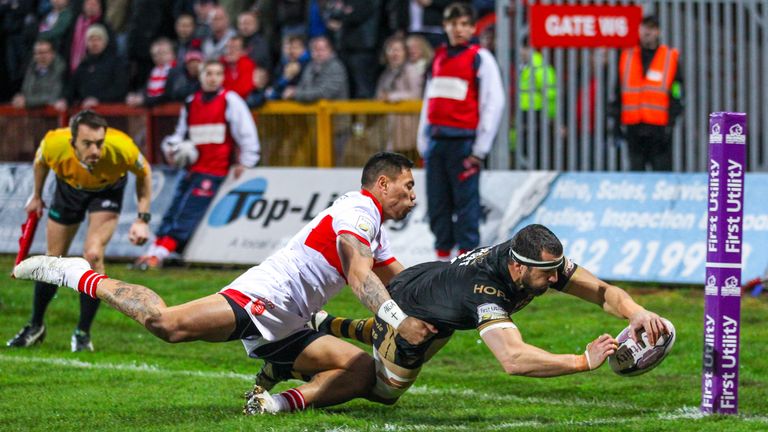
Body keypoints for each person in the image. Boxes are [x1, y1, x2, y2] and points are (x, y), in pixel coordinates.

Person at [14, 152, 437, 413]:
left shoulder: (374, 227)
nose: (413, 196)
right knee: (166, 325)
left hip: (292, 321)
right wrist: (399, 321)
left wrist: (451, 299)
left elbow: (403, 282)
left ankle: (272, 404)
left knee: (361, 369)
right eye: (408, 185)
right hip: (265, 298)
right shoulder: (360, 212)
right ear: (382, 184)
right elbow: (361, 277)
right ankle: (77, 273)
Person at [304, 224, 671, 405]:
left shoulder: (536, 260)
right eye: (548, 275)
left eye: (558, 270)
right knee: (382, 392)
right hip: (412, 308)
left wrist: (636, 312)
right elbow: (512, 359)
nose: (557, 279)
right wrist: (580, 361)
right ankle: (290, 363)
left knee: (408, 337)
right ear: (516, 268)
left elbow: (603, 292)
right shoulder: (486, 292)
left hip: (433, 289)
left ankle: (324, 323)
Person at [7, 110, 152, 352]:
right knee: (52, 259)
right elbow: (40, 163)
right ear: (73, 142)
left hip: (108, 189)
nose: (95, 151)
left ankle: (82, 333)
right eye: (87, 144)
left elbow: (144, 173)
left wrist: (142, 218)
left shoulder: (122, 147)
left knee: (93, 256)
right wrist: (37, 196)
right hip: (70, 188)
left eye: (99, 143)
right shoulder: (54, 143)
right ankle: (35, 325)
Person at [134, 60, 259, 270]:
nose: (213, 78)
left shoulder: (230, 100)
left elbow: (247, 134)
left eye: (218, 74)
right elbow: (180, 135)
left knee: (187, 213)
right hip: (191, 170)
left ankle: (160, 255)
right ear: (201, 76)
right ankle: (152, 251)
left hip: (215, 171)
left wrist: (246, 162)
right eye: (209, 73)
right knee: (173, 211)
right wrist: (172, 149)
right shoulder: (192, 102)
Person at [417, 3, 504, 261]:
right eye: (454, 24)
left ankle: (466, 266)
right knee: (438, 206)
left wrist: (480, 148)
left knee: (466, 208)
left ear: (472, 27)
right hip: (437, 143)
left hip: (464, 143)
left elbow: (493, 103)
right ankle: (442, 262)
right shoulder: (439, 57)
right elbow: (428, 101)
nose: (459, 29)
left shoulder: (481, 58)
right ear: (445, 26)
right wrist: (424, 141)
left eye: (465, 24)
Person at [610, 15, 682, 172]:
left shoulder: (669, 57)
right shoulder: (627, 56)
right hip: (634, 127)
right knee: (636, 173)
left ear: (658, 32)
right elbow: (618, 93)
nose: (647, 32)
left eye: (652, 28)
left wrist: (671, 120)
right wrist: (616, 124)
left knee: (661, 173)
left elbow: (677, 92)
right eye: (644, 27)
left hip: (659, 129)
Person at [11, 39, 67, 109]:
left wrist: (27, 101)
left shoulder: (60, 69)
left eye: (43, 53)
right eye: (36, 53)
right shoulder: (31, 68)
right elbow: (26, 92)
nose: (40, 56)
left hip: (52, 115)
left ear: (52, 54)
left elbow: (53, 96)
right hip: (32, 115)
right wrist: (20, 98)